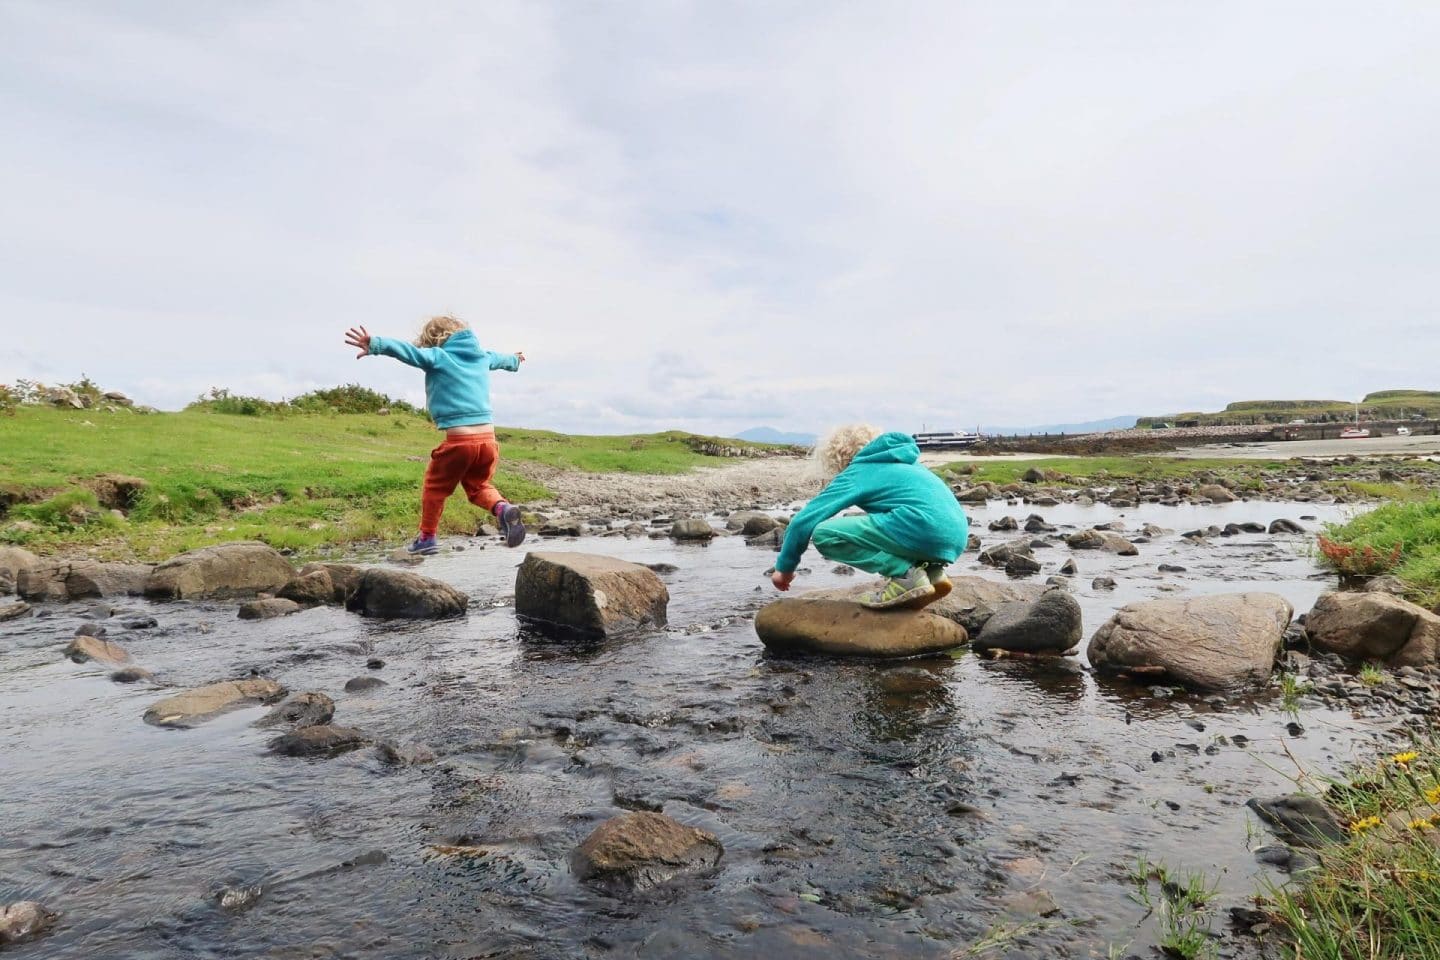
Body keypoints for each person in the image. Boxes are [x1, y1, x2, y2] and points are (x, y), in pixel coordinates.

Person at [343, 315, 527, 555]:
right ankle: (502, 509)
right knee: (478, 485)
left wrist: (376, 344)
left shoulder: (439, 356)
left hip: (460, 441)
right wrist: (516, 360)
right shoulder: (483, 356)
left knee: (435, 488)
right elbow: (503, 359)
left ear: (434, 339)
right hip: (488, 440)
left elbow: (408, 352)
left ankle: (427, 538)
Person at [770, 424, 969, 609]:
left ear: (837, 458)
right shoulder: (910, 465)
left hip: (921, 528)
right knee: (892, 528)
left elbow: (804, 520)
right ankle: (933, 573)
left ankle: (905, 576)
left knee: (825, 534)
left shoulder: (858, 471)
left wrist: (785, 569)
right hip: (955, 538)